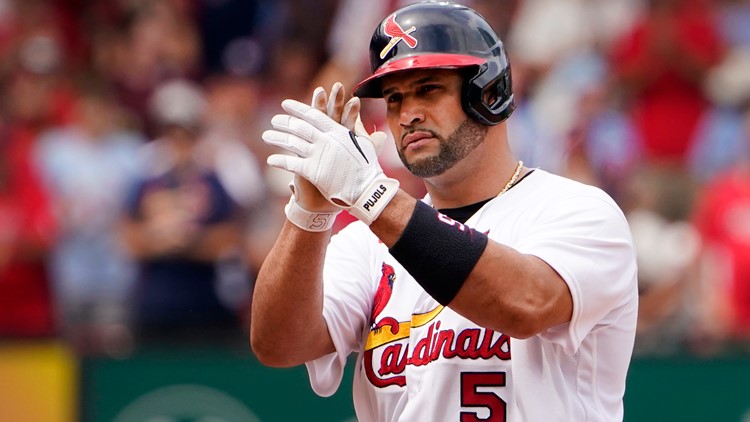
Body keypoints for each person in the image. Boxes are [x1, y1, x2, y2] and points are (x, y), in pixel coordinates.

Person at [251, 2, 638, 421]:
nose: (407, 114)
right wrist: (310, 213)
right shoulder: (367, 242)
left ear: (489, 93)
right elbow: (279, 344)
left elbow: (526, 304)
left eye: (429, 89)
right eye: (395, 99)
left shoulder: (577, 210)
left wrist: (370, 194)